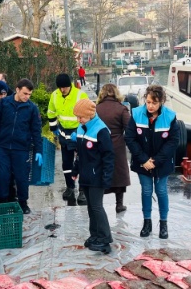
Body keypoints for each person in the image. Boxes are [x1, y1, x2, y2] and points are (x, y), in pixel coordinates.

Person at [126, 85, 181, 239]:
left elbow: (173, 141)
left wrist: (156, 161)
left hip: (161, 162)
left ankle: (163, 223)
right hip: (142, 162)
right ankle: (147, 222)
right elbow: (130, 138)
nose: (150, 106)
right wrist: (143, 159)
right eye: (148, 102)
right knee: (146, 191)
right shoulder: (136, 114)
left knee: (161, 190)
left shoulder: (169, 116)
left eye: (154, 103)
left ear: (161, 102)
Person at [0, 79, 43, 214]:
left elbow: (36, 130)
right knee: (2, 176)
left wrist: (39, 150)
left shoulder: (32, 108)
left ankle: (23, 203)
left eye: (29, 95)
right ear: (17, 89)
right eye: (25, 93)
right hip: (2, 147)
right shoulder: (4, 103)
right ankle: (3, 202)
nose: (27, 97)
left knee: (22, 177)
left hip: (21, 149)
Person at [72, 98, 115, 254]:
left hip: (97, 177)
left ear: (90, 114)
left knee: (97, 207)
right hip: (86, 176)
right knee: (90, 207)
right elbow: (79, 154)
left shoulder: (101, 130)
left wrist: (106, 178)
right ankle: (95, 234)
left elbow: (108, 156)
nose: (78, 120)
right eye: (77, 117)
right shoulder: (81, 128)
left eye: (81, 117)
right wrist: (75, 170)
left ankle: (105, 238)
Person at [47, 73, 89, 205]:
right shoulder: (55, 95)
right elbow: (51, 113)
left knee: (82, 162)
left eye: (64, 87)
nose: (62, 90)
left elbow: (89, 114)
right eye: (60, 87)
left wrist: (83, 131)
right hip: (64, 134)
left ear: (70, 85)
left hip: (79, 133)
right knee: (66, 163)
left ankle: (83, 190)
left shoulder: (80, 95)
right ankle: (70, 187)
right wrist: (54, 129)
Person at [95, 83, 131, 213]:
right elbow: (130, 129)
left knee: (100, 172)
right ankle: (119, 204)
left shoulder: (96, 109)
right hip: (117, 146)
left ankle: (98, 204)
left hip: (99, 145)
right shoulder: (122, 109)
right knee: (119, 174)